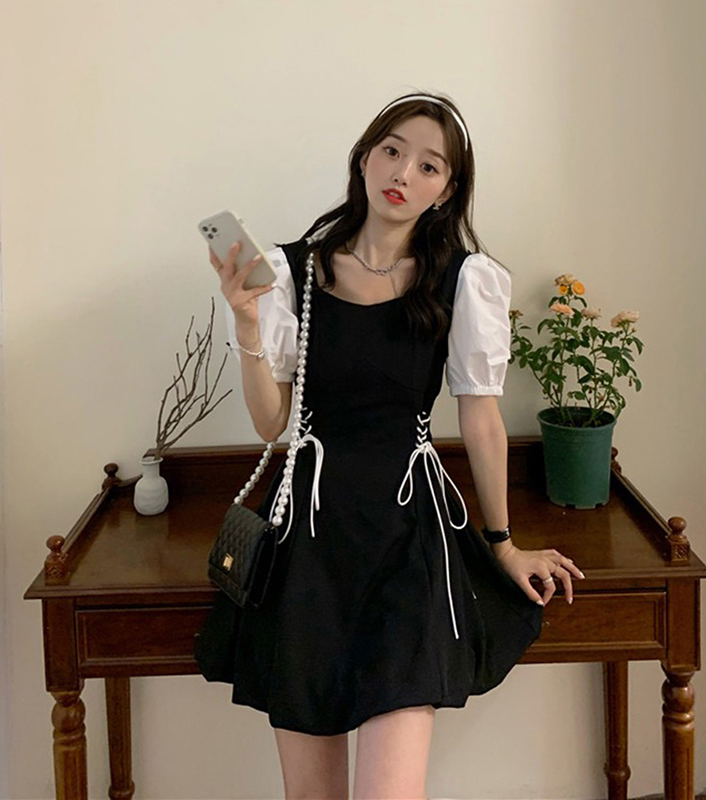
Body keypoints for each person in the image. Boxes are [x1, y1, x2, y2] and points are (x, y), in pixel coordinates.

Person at [194, 91, 584, 800]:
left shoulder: (462, 280)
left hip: (409, 541)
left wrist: (502, 544)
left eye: (429, 165)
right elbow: (271, 423)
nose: (404, 172)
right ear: (365, 158)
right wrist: (248, 325)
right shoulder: (292, 274)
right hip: (310, 544)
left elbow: (482, 421)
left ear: (447, 191)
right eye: (393, 151)